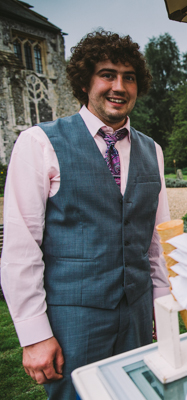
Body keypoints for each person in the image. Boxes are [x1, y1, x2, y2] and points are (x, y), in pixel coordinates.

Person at [0, 31, 171, 400]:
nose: (119, 86)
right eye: (107, 74)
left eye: (129, 77)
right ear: (85, 81)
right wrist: (34, 335)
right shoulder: (39, 143)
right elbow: (20, 250)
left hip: (139, 314)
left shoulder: (152, 150)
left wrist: (163, 306)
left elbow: (156, 242)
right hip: (73, 322)